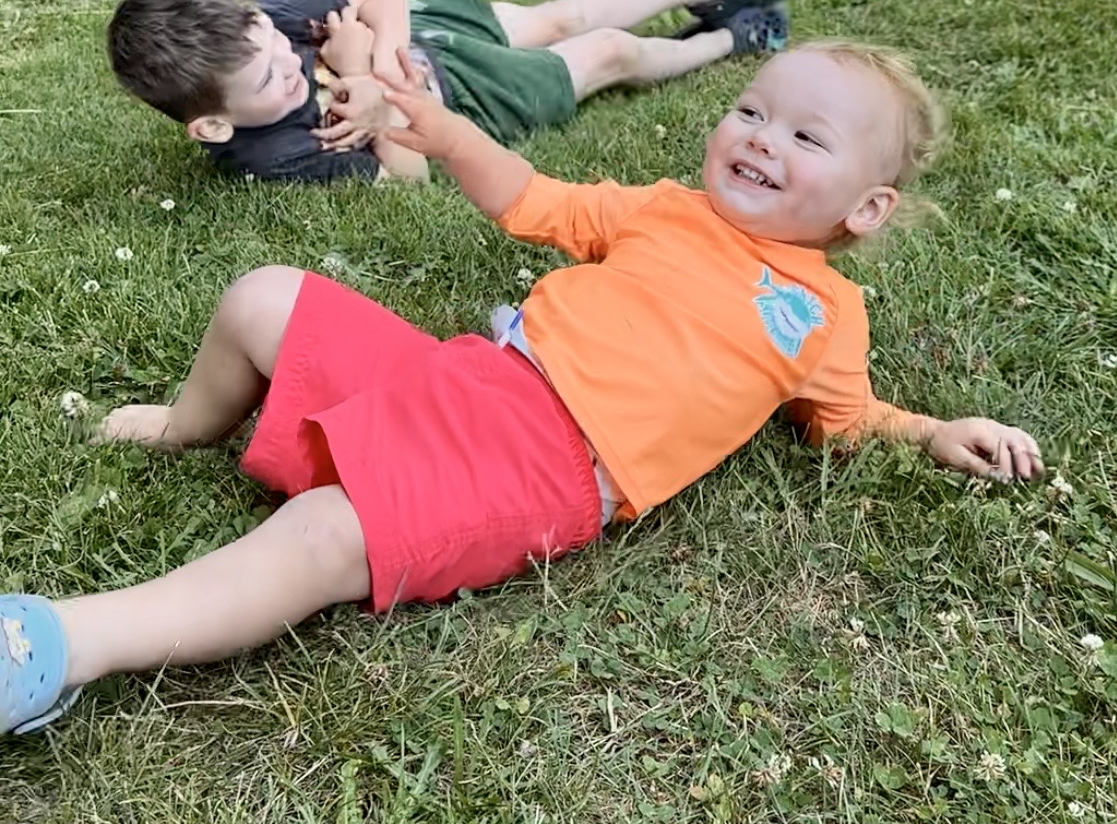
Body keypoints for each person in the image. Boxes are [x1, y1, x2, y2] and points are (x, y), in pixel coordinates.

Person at [0, 38, 1042, 737]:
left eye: (806, 137)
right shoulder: (663, 209)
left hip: (550, 464)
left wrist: (931, 428)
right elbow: (532, 199)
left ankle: (62, 643)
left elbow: (845, 421)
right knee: (265, 293)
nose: (762, 137)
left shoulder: (825, 315)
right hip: (473, 375)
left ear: (867, 208)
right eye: (751, 110)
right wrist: (449, 134)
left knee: (321, 533)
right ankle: (187, 427)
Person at [106, 0, 797, 184]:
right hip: (464, 99)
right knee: (609, 51)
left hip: (431, 35)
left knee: (556, 19)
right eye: (268, 81)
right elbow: (411, 176)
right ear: (213, 124)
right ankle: (722, 41)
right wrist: (369, 92)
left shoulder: (256, 25)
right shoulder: (275, 152)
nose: (287, 61)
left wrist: (380, 54)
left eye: (281, 49)